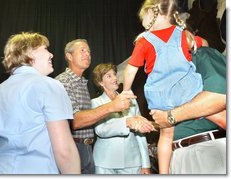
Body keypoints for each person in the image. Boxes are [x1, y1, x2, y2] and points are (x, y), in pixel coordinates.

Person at [122, 0, 225, 174]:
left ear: (151, 15)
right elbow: (205, 43)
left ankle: (163, 173)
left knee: (167, 134)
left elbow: (130, 70)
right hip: (186, 91)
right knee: (208, 113)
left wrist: (126, 90)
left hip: (161, 96)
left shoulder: (144, 41)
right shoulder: (183, 36)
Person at [0, 32, 80, 174]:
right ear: (29, 53)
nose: (51, 55)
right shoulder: (50, 85)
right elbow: (64, 151)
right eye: (45, 49)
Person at [55, 39, 149, 174]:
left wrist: (145, 163)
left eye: (89, 51)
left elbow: (140, 134)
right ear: (69, 56)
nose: (87, 54)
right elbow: (74, 121)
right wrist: (117, 111)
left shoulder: (82, 84)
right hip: (79, 149)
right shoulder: (64, 81)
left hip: (89, 150)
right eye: (82, 50)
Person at [150, 46, 226, 174]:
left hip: (207, 146)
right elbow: (165, 136)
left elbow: (223, 113)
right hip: (178, 155)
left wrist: (178, 109)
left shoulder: (200, 57)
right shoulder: (160, 84)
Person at [91, 63, 153, 174]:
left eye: (114, 74)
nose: (115, 78)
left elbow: (140, 133)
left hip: (132, 162)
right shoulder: (95, 103)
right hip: (105, 162)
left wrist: (145, 163)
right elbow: (100, 130)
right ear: (100, 82)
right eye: (109, 76)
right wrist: (126, 122)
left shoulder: (131, 100)